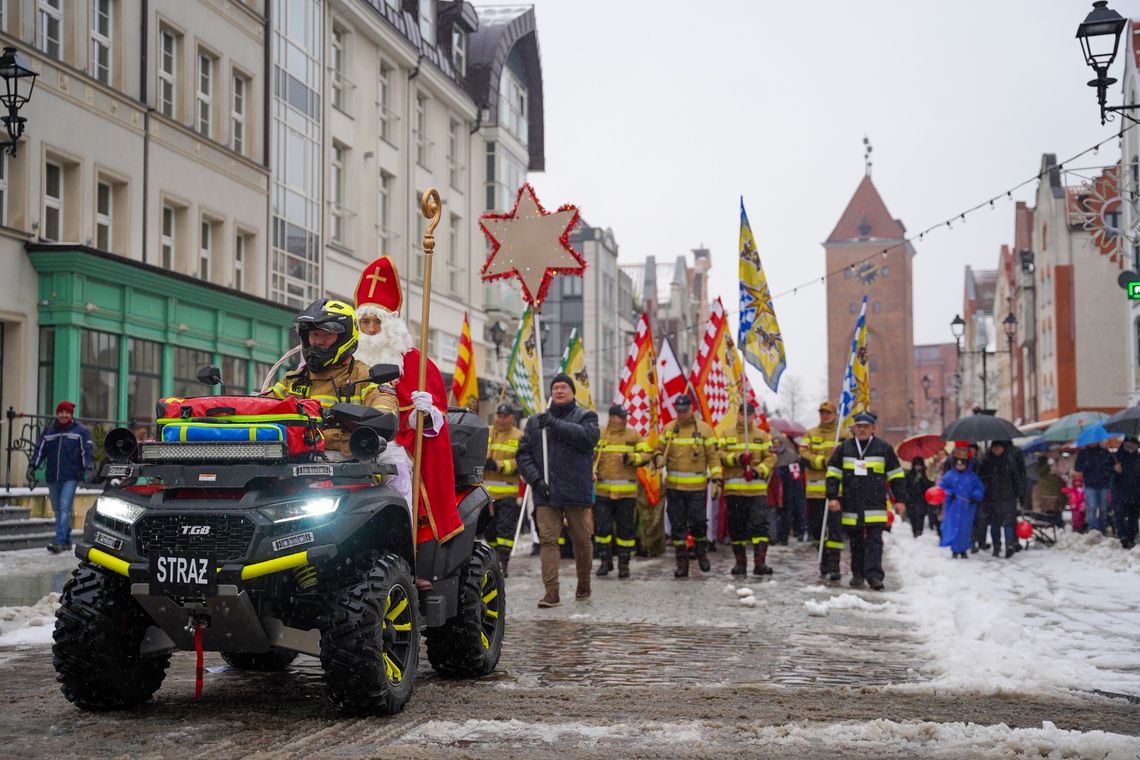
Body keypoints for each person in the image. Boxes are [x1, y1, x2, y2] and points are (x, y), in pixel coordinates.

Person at [351, 256, 463, 548]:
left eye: (378, 321)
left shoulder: (414, 362)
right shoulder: (344, 359)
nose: (372, 329)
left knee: (397, 470)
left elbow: (433, 418)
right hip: (344, 442)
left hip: (394, 444)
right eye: (365, 322)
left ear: (391, 325)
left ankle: (404, 551)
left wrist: (423, 413)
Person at [517, 373, 600, 607]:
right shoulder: (535, 422)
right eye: (555, 388)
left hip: (575, 490)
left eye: (564, 387)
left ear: (573, 392)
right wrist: (536, 480)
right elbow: (523, 455)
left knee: (582, 540)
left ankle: (584, 584)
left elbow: (588, 438)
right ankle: (551, 592)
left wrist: (554, 424)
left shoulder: (586, 416)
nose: (559, 391)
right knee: (548, 540)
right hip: (546, 492)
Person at [825, 412, 906, 590]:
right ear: (854, 428)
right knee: (856, 542)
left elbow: (897, 476)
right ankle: (858, 574)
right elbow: (832, 473)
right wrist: (832, 497)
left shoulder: (883, 448)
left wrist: (899, 500)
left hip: (875, 504)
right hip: (851, 504)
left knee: (875, 542)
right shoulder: (844, 448)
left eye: (865, 426)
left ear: (873, 428)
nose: (861, 429)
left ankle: (875, 576)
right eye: (858, 426)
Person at [654, 393, 722, 577]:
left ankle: (701, 553)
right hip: (675, 488)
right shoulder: (669, 429)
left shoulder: (705, 430)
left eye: (684, 411)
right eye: (679, 411)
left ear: (691, 409)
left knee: (699, 523)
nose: (682, 414)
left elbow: (714, 457)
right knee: (677, 526)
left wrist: (717, 478)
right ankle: (681, 563)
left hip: (697, 488)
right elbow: (658, 451)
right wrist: (658, 458)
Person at [593, 403, 651, 578]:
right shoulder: (599, 435)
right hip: (603, 492)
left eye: (626, 416)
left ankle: (624, 564)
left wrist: (630, 458)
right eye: (621, 416)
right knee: (602, 530)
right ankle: (605, 561)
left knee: (625, 531)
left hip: (626, 494)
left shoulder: (633, 435)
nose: (625, 419)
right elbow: (588, 457)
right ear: (611, 417)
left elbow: (647, 454)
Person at [28, 401, 94, 553]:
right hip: (52, 476)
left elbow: (87, 452)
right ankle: (67, 540)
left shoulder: (80, 431)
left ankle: (58, 541)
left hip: (71, 476)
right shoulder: (49, 431)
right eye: (61, 412)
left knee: (64, 507)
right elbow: (39, 451)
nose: (64, 415)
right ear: (57, 413)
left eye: (67, 412)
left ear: (71, 414)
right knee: (58, 509)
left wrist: (88, 468)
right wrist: (32, 466)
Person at [719, 404, 777, 575]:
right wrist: (737, 458)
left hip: (757, 491)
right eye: (742, 414)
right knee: (737, 528)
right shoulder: (726, 434)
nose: (746, 417)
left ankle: (760, 563)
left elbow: (771, 458)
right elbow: (719, 455)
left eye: (749, 415)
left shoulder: (763, 435)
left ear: (753, 416)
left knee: (760, 528)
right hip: (734, 491)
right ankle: (740, 563)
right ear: (737, 415)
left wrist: (758, 471)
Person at [804, 401, 845, 579]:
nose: (825, 415)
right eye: (822, 412)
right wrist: (823, 461)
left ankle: (834, 565)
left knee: (835, 528)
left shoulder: (842, 434)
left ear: (835, 415)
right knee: (817, 528)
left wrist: (838, 457)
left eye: (828, 413)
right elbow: (804, 455)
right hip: (815, 491)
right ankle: (824, 557)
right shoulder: (810, 434)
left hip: (838, 492)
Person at [483, 403, 524, 576]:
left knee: (505, 530)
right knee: (489, 530)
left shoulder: (519, 436)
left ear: (512, 418)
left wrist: (498, 465)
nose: (500, 418)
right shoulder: (486, 431)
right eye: (499, 414)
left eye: (504, 415)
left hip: (507, 492)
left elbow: (520, 462)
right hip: (486, 493)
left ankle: (503, 563)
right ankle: (493, 561)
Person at [977, 440, 1024, 558]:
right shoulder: (986, 462)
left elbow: (1016, 479)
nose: (997, 450)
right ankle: (996, 547)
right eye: (994, 448)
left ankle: (1009, 545)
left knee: (1008, 522)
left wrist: (1020, 494)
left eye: (999, 448)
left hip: (1008, 497)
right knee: (995, 524)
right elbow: (981, 478)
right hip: (992, 497)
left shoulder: (1009, 462)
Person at [939, 449, 985, 559]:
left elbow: (979, 488)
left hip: (967, 508)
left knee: (965, 528)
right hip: (953, 507)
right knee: (954, 526)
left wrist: (975, 496)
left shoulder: (972, 477)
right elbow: (942, 488)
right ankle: (955, 549)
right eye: (958, 464)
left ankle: (963, 549)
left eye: (963, 464)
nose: (960, 466)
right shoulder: (949, 476)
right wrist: (950, 493)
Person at [768, 432, 807, 544]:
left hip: (788, 488)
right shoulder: (770, 454)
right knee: (773, 512)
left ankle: (783, 536)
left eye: (778, 442)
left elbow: (796, 474)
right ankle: (773, 535)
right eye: (774, 443)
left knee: (786, 512)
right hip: (773, 488)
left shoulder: (791, 455)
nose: (775, 445)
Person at [1074, 441, 1114, 534]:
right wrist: (1086, 465)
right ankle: (1093, 529)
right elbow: (1077, 468)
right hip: (1090, 485)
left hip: (1104, 484)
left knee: (1104, 508)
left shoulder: (1105, 452)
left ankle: (1102, 528)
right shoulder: (1083, 453)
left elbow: (1111, 467)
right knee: (1092, 507)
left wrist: (1107, 472)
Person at [1112, 436, 1140, 549]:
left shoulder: (1138, 458)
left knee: (1133, 516)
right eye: (1128, 444)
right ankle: (1123, 536)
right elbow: (1107, 472)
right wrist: (1114, 469)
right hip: (1120, 491)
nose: (1131, 446)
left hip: (1135, 492)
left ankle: (1131, 537)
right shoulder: (1117, 457)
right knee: (1120, 515)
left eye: (1133, 444)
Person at [903, 457, 934, 539]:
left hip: (922, 499)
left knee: (921, 516)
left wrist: (924, 478)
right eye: (916, 465)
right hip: (911, 499)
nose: (918, 467)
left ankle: (919, 531)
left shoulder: (925, 475)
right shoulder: (909, 475)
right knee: (913, 516)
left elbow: (929, 485)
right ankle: (915, 531)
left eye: (920, 465)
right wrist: (907, 496)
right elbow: (905, 486)